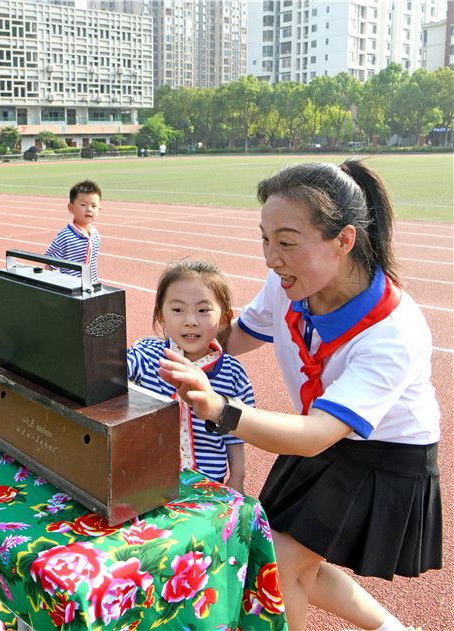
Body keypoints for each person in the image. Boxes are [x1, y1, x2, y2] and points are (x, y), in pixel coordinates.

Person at [158, 160, 441, 631]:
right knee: (287, 557)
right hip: (318, 431)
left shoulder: (394, 332)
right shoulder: (288, 284)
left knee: (281, 562)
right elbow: (234, 337)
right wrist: (179, 344)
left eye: (286, 242)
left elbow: (315, 435)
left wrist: (219, 408)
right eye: (265, 239)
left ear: (344, 240)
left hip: (385, 453)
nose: (271, 258)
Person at [127, 260, 252, 491]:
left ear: (225, 318)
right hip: (148, 480)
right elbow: (111, 369)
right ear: (161, 316)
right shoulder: (145, 355)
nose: (190, 321)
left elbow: (235, 433)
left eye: (203, 310)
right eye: (177, 310)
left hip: (207, 484)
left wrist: (238, 476)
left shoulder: (233, 373)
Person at [45, 180, 103, 284]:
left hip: (91, 286)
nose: (89, 209)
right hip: (70, 287)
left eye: (94, 206)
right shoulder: (65, 236)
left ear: (99, 210)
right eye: (83, 205)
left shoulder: (95, 235)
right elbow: (49, 264)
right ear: (71, 208)